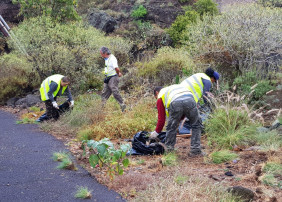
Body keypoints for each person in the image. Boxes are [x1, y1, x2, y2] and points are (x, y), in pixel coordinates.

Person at [151, 68, 220, 156]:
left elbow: (161, 120)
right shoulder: (173, 87)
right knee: (196, 124)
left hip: (176, 102)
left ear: (157, 93)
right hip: (190, 99)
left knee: (171, 127)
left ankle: (169, 151)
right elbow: (183, 111)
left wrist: (155, 133)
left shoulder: (160, 96)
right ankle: (195, 151)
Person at [100, 46, 126, 112]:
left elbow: (116, 68)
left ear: (105, 53)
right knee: (104, 93)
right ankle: (101, 108)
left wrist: (118, 73)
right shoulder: (106, 58)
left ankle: (122, 105)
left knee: (114, 91)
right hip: (108, 77)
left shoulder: (112, 58)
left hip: (113, 77)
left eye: (101, 53)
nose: (101, 55)